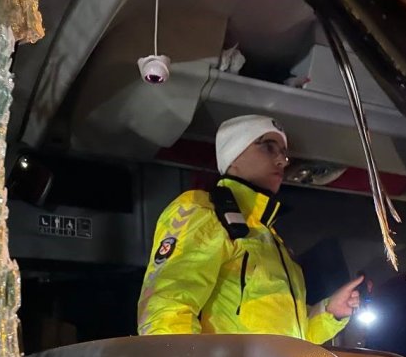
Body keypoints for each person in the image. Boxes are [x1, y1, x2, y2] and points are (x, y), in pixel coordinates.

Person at [137, 114, 363, 342]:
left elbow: (293, 338)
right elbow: (167, 303)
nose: (282, 161)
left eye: (283, 153)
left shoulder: (271, 239)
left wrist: (330, 311)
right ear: (233, 156)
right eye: (268, 147)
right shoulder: (204, 210)